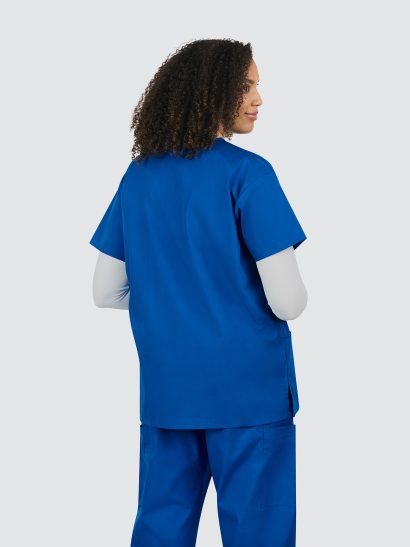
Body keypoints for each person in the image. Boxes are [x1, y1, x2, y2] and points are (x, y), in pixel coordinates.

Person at [89, 38, 308, 547]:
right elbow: (288, 301)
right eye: (246, 85)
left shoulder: (139, 176)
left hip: (168, 394)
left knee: (160, 529)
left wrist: (173, 300)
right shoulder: (248, 173)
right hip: (249, 395)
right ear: (212, 90)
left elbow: (105, 290)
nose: (258, 98)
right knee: (259, 533)